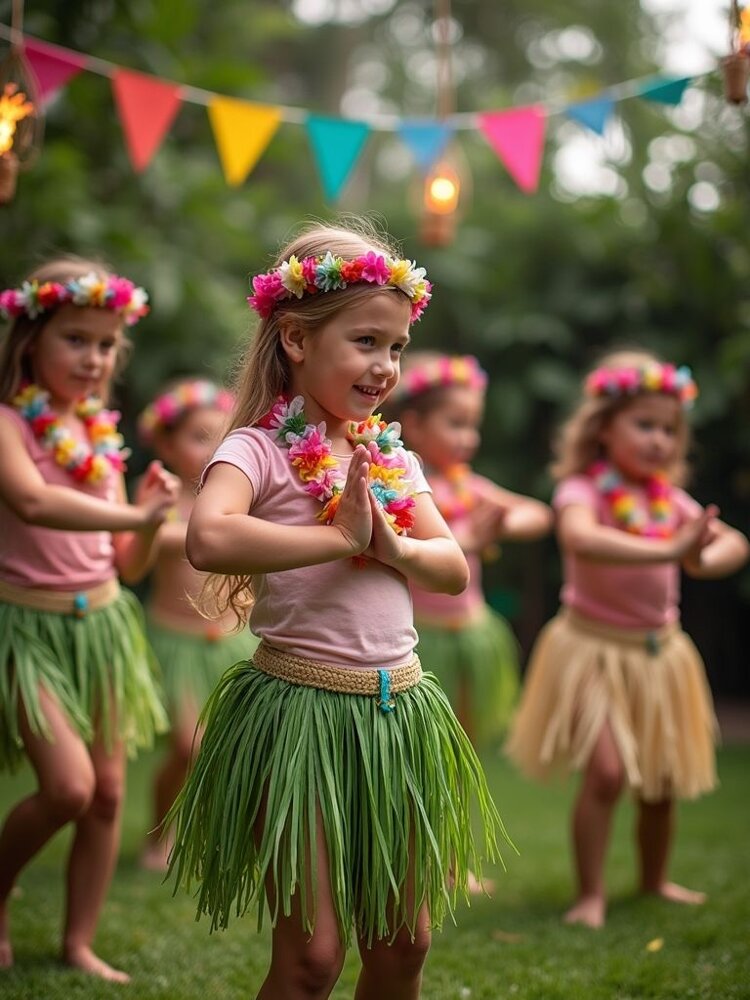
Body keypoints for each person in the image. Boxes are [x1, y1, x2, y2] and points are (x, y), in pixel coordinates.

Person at [166, 222, 512, 1000]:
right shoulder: (256, 450)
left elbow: (451, 566)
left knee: (404, 945)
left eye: (395, 347)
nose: (384, 366)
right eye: (365, 341)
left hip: (400, 710)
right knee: (312, 959)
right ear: (294, 336)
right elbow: (208, 536)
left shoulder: (390, 456)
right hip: (298, 714)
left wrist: (392, 549)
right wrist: (337, 539)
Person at [506, 348, 749, 929]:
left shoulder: (667, 500)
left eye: (669, 430)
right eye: (644, 425)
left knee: (661, 778)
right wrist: (671, 548)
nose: (659, 441)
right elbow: (581, 539)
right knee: (608, 772)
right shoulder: (583, 490)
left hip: (660, 653)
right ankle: (589, 893)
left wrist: (700, 557)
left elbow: (734, 543)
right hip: (593, 650)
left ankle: (654, 879)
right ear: (603, 429)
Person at [0, 259, 179, 982]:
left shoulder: (99, 440)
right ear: (31, 339)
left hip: (103, 626)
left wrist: (147, 516)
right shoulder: (10, 425)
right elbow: (34, 503)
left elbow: (125, 564)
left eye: (106, 345)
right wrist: (135, 512)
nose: (93, 358)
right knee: (68, 788)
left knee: (106, 796)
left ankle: (77, 941)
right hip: (26, 626)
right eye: (76, 339)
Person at [386, 351, 552, 749]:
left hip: (472, 632)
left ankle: (450, 810)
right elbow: (409, 545)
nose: (469, 438)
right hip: (422, 635)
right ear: (415, 424)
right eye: (456, 424)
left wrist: (503, 524)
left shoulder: (470, 486)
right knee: (417, 744)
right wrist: (470, 540)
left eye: (473, 426)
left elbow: (540, 514)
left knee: (460, 744)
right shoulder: (403, 484)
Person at [136, 378, 258, 871]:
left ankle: (231, 838)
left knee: (237, 749)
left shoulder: (239, 498)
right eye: (197, 437)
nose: (212, 449)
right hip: (177, 642)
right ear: (166, 444)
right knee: (188, 746)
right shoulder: (164, 505)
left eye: (221, 435)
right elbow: (139, 558)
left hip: (234, 643)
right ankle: (160, 832)